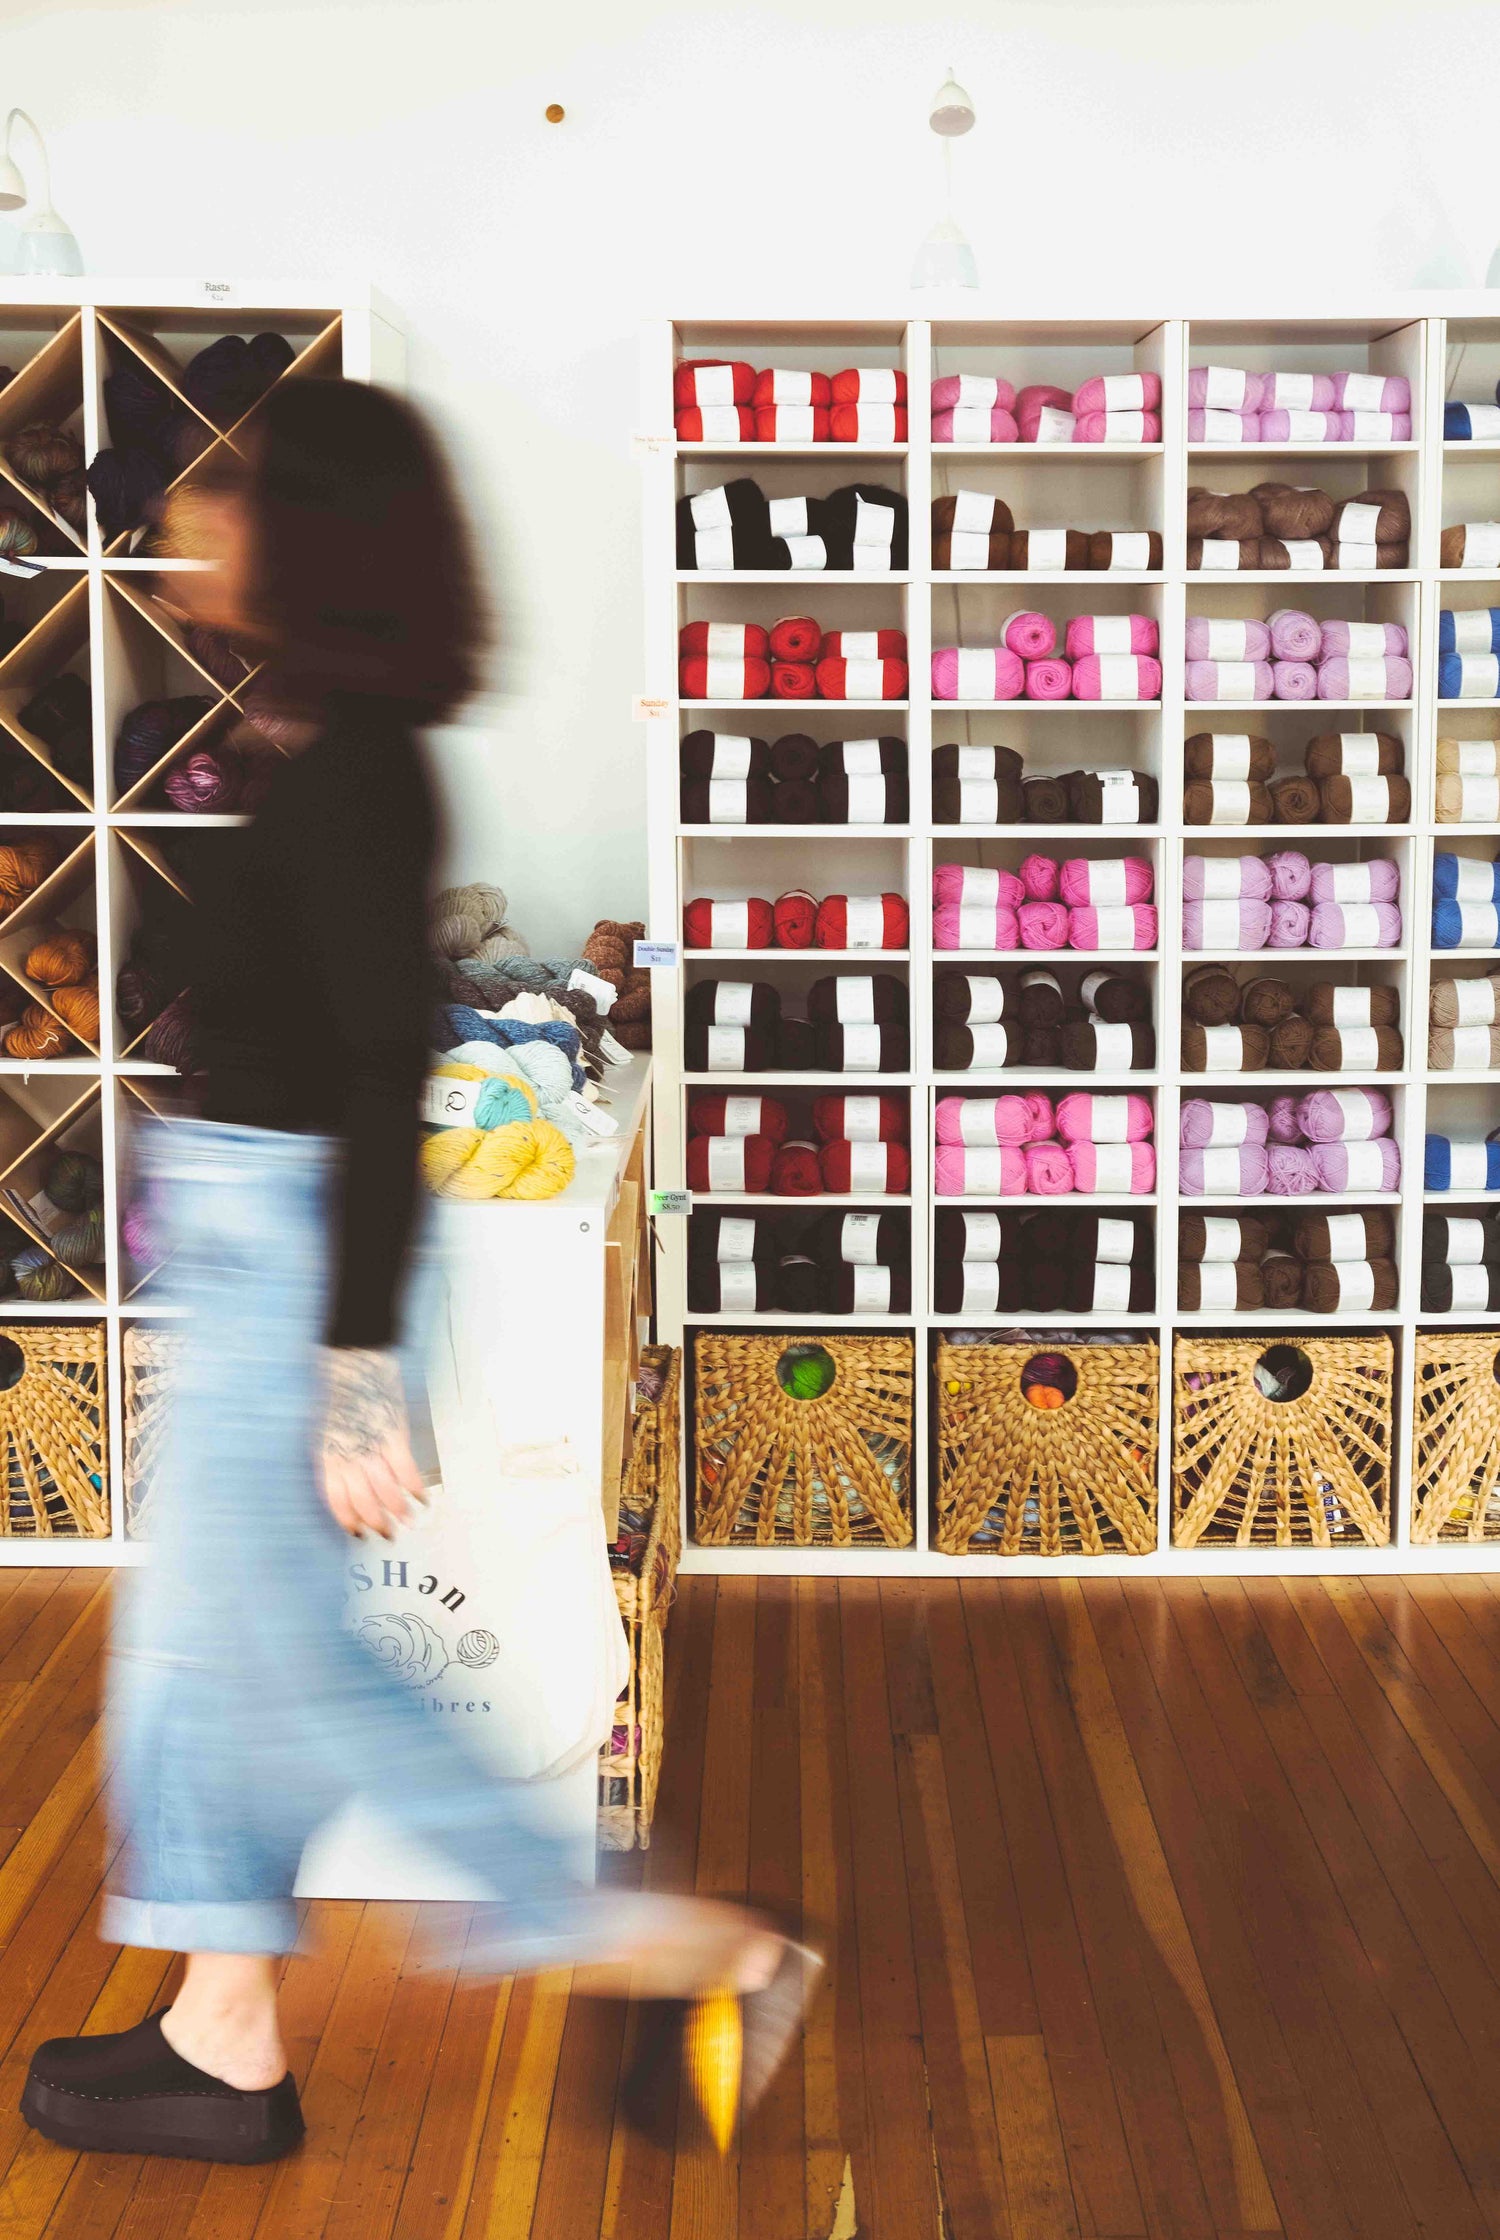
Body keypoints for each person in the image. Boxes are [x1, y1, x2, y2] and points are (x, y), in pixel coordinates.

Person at [19, 380, 814, 2165]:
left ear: (316, 536)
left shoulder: (363, 771)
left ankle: (685, 1946)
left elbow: (385, 1074)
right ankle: (222, 2033)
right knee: (208, 1669)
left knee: (287, 1672)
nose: (196, 518)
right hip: (260, 1238)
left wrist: (354, 1360)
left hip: (300, 1255)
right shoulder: (309, 739)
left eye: (235, 493)